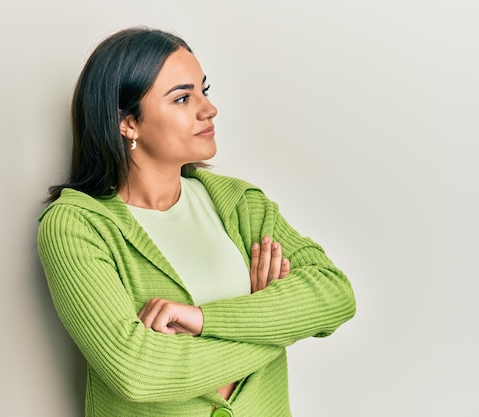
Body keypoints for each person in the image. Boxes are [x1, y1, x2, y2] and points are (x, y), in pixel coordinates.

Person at [37, 26, 356, 417]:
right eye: (183, 98)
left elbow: (334, 293)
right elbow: (138, 372)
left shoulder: (237, 203)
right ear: (128, 123)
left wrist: (204, 320)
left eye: (204, 91)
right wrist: (276, 325)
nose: (208, 109)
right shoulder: (76, 227)